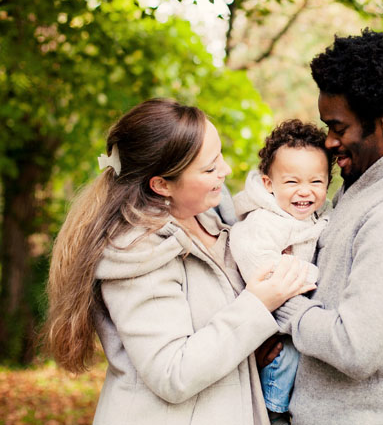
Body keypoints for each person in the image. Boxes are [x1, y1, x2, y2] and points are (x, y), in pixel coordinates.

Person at [44, 98, 313, 425]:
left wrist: (248, 358)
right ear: (161, 184)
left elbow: (212, 337)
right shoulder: (137, 252)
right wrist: (257, 304)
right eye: (210, 168)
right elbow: (172, 374)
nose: (225, 171)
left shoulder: (212, 222)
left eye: (220, 157)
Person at [273, 29, 383, 425]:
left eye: (339, 128)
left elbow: (356, 347)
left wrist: (280, 304)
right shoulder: (367, 186)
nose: (329, 142)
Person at [229, 119, 333, 420]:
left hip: (297, 323)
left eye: (316, 182)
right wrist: (314, 275)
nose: (305, 191)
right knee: (278, 375)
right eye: (292, 182)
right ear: (268, 184)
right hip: (270, 327)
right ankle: (272, 412)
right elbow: (258, 263)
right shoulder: (264, 221)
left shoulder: (315, 219)